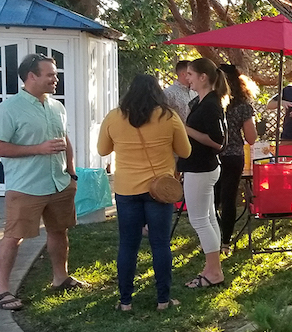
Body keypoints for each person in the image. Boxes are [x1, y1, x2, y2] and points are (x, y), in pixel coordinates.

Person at [0, 54, 88, 311]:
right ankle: (2, 290)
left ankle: (60, 278)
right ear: (31, 77)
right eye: (50, 74)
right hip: (26, 186)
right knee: (13, 237)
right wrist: (38, 148)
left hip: (59, 183)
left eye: (55, 74)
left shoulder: (56, 106)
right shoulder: (9, 109)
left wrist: (71, 173)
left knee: (59, 231)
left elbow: (64, 140)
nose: (55, 79)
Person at [97, 74, 191, 311]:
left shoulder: (114, 116)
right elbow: (185, 151)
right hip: (159, 190)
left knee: (128, 244)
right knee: (160, 244)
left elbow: (102, 149)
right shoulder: (169, 117)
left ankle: (125, 301)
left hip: (126, 189)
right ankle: (163, 300)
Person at [179, 58, 228, 288]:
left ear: (203, 77)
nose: (187, 78)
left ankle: (214, 271)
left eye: (190, 74)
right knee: (208, 219)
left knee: (199, 220)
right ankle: (212, 268)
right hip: (198, 166)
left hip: (202, 168)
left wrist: (185, 129)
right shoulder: (201, 102)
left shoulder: (211, 104)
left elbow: (219, 142)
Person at [215, 64, 257, 255]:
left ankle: (211, 237)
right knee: (228, 199)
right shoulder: (242, 107)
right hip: (233, 155)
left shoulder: (207, 103)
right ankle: (225, 241)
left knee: (211, 199)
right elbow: (251, 138)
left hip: (211, 155)